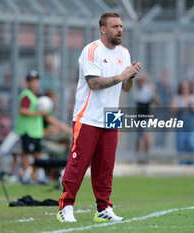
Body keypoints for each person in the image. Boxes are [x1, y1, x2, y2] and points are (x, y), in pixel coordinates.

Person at [57, 12, 142, 223]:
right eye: (115, 26)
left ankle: (103, 208)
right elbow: (94, 84)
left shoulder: (124, 52)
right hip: (88, 115)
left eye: (121, 26)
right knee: (78, 163)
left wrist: (129, 77)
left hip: (112, 115)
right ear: (103, 29)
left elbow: (126, 88)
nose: (120, 30)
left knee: (106, 165)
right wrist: (121, 76)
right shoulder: (91, 50)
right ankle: (66, 207)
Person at [15, 71, 47, 184]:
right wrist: (38, 113)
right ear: (28, 82)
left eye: (36, 81)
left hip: (36, 130)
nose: (35, 83)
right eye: (32, 81)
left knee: (38, 152)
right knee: (26, 153)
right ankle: (26, 176)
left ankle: (40, 175)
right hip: (27, 130)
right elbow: (22, 110)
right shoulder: (26, 95)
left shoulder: (38, 95)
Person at [171, 80, 194, 158]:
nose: (185, 89)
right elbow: (172, 110)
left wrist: (192, 107)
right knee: (181, 145)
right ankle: (183, 165)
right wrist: (181, 106)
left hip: (192, 123)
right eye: (183, 88)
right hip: (181, 122)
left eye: (187, 87)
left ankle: (192, 164)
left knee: (192, 144)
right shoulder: (177, 97)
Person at [135, 73, 157, 155]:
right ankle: (138, 157)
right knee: (138, 138)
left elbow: (156, 100)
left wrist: (154, 92)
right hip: (138, 117)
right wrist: (145, 77)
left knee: (146, 136)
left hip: (146, 116)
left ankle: (146, 157)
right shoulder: (139, 88)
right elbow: (137, 79)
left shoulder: (149, 89)